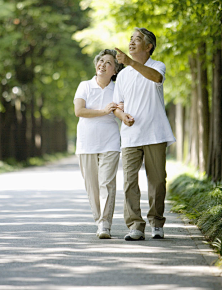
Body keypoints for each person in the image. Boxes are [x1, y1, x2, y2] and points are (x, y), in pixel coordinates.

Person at [113, 27, 176, 241]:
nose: (130, 43)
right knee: (129, 182)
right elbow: (117, 105)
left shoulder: (157, 66)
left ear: (149, 47)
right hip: (130, 136)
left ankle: (157, 222)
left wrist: (130, 62)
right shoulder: (122, 75)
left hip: (155, 133)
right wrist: (123, 116)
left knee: (157, 181)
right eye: (130, 39)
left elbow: (156, 78)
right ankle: (135, 226)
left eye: (137, 39)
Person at [74, 49, 124, 239]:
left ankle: (105, 224)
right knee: (92, 186)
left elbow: (122, 109)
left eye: (108, 62)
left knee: (107, 183)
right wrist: (104, 111)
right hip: (86, 143)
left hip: (110, 141)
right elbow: (79, 111)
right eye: (100, 61)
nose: (102, 64)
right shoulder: (84, 86)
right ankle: (99, 219)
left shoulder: (118, 89)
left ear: (115, 70)